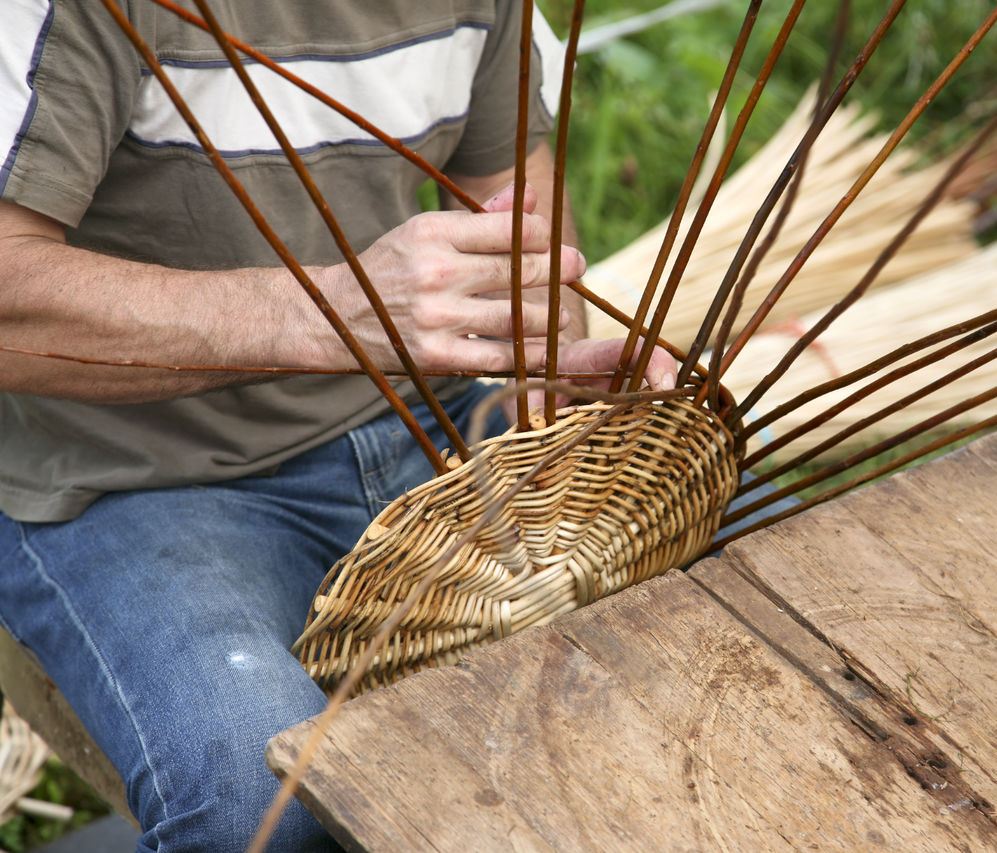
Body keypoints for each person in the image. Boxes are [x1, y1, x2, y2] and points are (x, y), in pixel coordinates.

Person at [0, 1, 674, 850]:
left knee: (716, 602)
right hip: (139, 474)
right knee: (268, 801)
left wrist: (545, 377)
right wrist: (329, 315)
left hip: (431, 419)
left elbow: (519, 214)